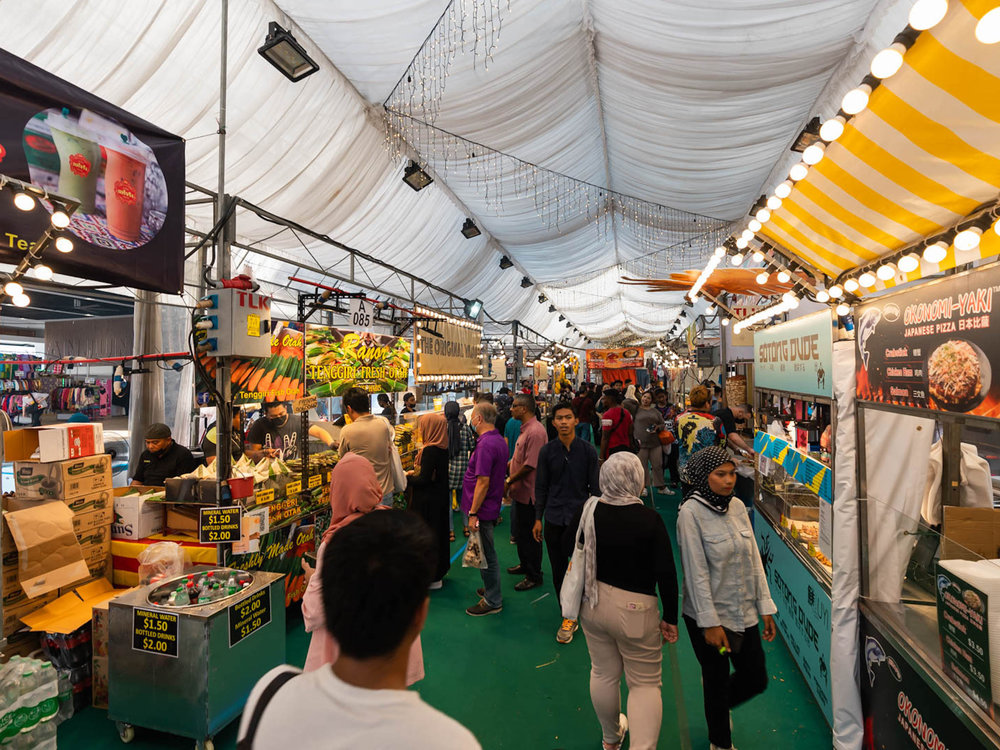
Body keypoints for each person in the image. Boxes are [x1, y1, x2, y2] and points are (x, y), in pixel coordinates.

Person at [240, 511, 479, 750]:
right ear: (420, 614)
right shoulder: (452, 742)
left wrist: (314, 579)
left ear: (329, 598)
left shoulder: (269, 696)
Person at [565, 453, 679, 750]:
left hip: (592, 602)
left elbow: (569, 545)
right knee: (644, 683)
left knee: (603, 672)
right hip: (636, 611)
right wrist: (670, 616)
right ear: (637, 479)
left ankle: (611, 738)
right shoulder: (649, 520)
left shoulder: (589, 509)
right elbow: (666, 572)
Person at [677, 447, 777, 750]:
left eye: (732, 473)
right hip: (709, 620)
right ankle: (720, 742)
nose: (729, 480)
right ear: (703, 477)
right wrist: (709, 623)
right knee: (717, 676)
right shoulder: (690, 514)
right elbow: (696, 573)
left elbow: (753, 559)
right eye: (720, 474)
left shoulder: (736, 506)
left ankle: (717, 705)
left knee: (755, 678)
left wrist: (764, 606)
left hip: (743, 612)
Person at [300, 453, 424, 683]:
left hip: (351, 663)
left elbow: (315, 613)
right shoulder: (396, 526)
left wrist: (312, 579)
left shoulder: (336, 543)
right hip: (392, 653)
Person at [532, 402, 599, 643]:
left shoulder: (588, 452)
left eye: (568, 417)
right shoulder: (547, 452)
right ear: (553, 422)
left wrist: (596, 519)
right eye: (559, 418)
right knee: (559, 568)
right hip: (553, 518)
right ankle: (568, 615)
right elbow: (541, 487)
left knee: (585, 567)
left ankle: (587, 609)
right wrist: (537, 518)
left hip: (580, 521)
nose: (563, 422)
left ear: (576, 421)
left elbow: (596, 489)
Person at [463, 402, 509, 617]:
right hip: (490, 505)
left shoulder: (485, 445)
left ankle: (493, 599)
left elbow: (483, 482)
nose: (471, 421)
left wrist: (473, 513)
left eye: (472, 417)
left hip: (482, 509)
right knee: (484, 551)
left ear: (479, 419)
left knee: (486, 554)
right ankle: (491, 588)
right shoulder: (497, 439)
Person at [507, 393, 547, 591]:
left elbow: (531, 465)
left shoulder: (536, 432)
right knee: (522, 533)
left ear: (523, 409)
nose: (511, 409)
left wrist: (509, 480)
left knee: (531, 536)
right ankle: (525, 565)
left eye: (514, 406)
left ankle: (534, 575)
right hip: (521, 493)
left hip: (530, 493)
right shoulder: (526, 429)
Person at [407, 412, 451, 588]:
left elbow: (424, 479)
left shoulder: (430, 450)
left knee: (427, 537)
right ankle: (437, 573)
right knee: (439, 534)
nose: (420, 430)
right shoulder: (442, 446)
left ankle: (430, 575)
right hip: (439, 499)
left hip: (428, 502)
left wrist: (406, 478)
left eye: (422, 427)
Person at [338, 387, 398, 504]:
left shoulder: (347, 431)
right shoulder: (383, 424)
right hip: (385, 492)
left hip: (364, 496)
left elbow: (342, 460)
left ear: (349, 409)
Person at [676, 386, 726, 494]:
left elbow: (676, 440)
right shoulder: (715, 421)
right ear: (707, 403)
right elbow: (722, 444)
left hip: (685, 470)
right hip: (708, 473)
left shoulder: (678, 418)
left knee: (688, 498)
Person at [445, 401, 475, 540]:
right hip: (463, 471)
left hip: (448, 472)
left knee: (448, 504)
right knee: (464, 501)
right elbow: (472, 446)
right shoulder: (465, 428)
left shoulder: (444, 429)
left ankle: (451, 531)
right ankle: (466, 527)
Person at [131, 423, 198, 486]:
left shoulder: (182, 454)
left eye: (155, 442)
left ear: (168, 440)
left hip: (170, 491)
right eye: (148, 442)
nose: (150, 446)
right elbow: (138, 479)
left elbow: (184, 484)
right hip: (147, 491)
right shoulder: (146, 455)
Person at [633, 391, 666, 496]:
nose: (645, 399)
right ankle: (643, 487)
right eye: (644, 397)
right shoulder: (635, 410)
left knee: (658, 465)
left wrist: (658, 427)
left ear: (652, 400)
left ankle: (661, 486)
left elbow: (662, 424)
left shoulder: (655, 411)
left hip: (655, 442)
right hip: (640, 443)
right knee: (642, 466)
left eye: (648, 398)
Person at [599, 389, 633, 461]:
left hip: (612, 449)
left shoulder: (607, 415)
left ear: (610, 399)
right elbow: (630, 433)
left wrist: (601, 456)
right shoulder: (627, 413)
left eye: (604, 398)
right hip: (626, 448)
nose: (602, 401)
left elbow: (605, 437)